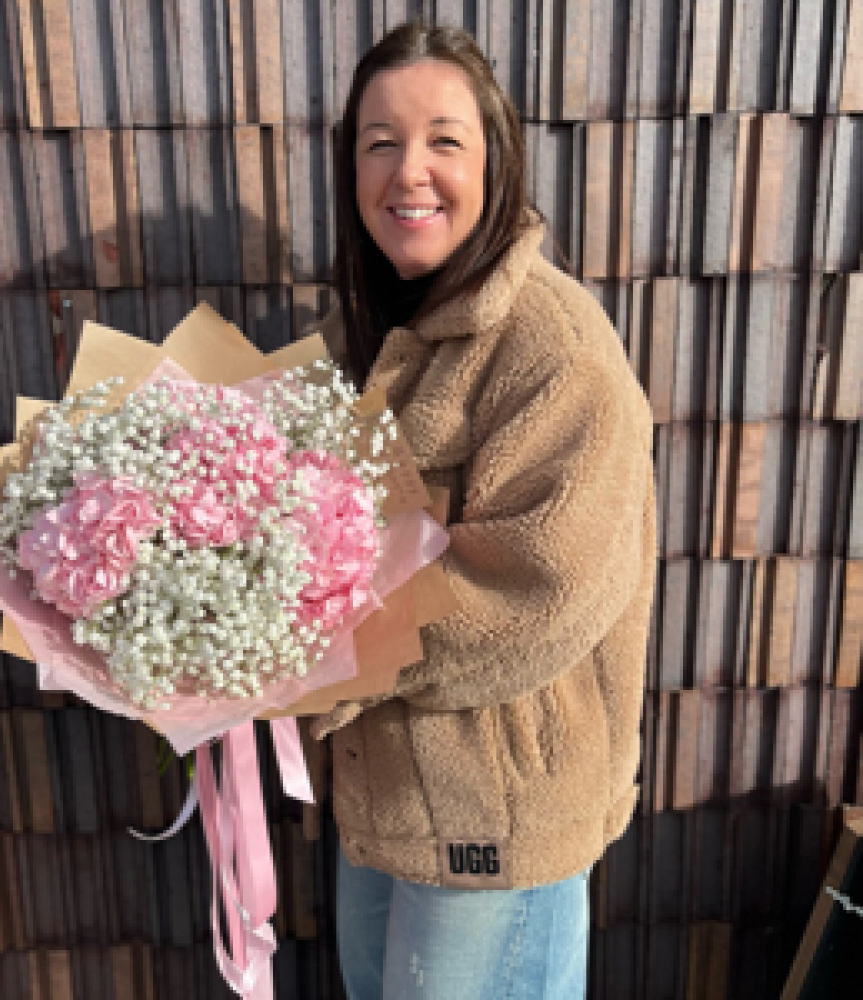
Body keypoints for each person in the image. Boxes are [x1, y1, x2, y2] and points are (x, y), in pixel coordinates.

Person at [310, 22, 656, 1000]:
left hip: (495, 818)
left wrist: (314, 656)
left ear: (495, 160)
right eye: (379, 141)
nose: (408, 170)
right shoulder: (356, 341)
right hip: (382, 800)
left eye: (443, 140)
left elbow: (535, 587)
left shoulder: (553, 347)